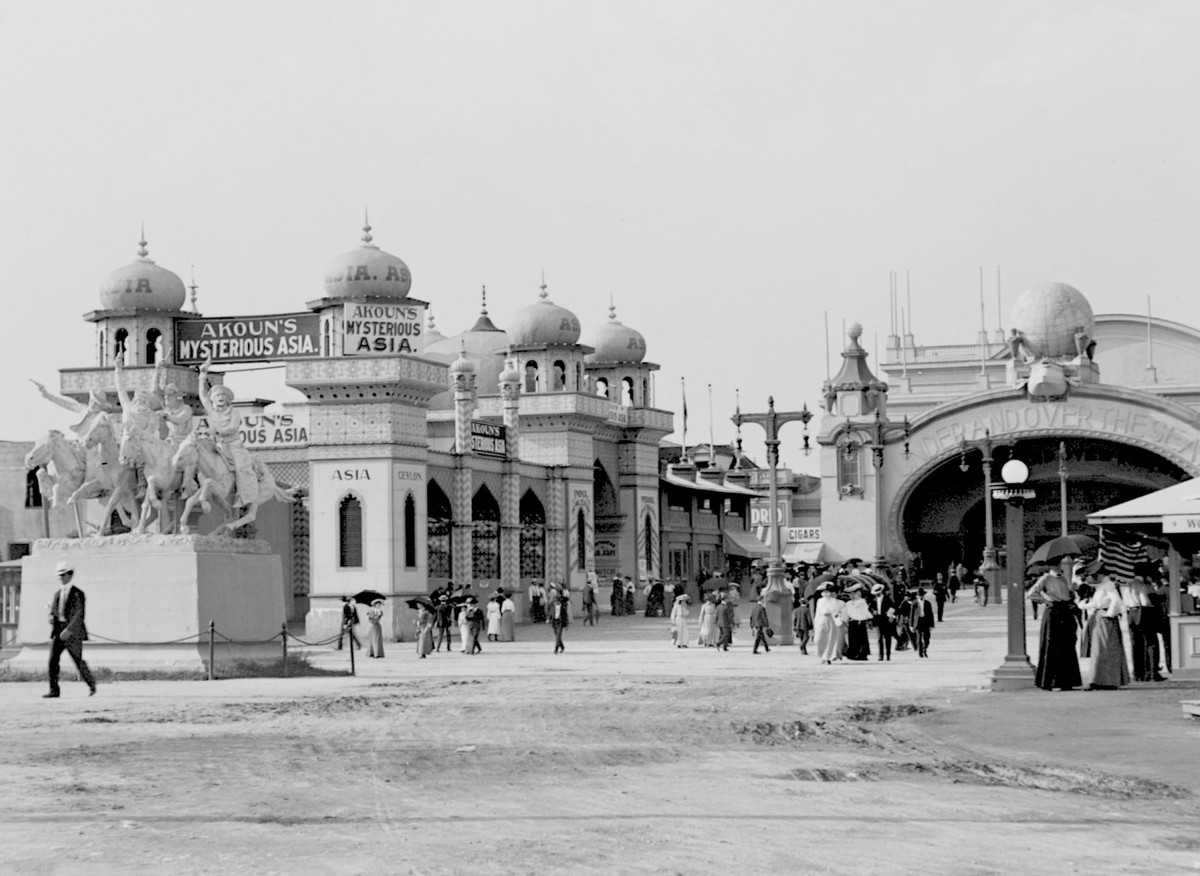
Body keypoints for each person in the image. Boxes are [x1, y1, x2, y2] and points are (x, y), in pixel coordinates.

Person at [198, 354, 255, 507]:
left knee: (241, 467)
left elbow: (233, 428)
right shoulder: (212, 410)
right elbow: (202, 396)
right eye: (217, 396)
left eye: (223, 395)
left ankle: (242, 496)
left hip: (232, 445)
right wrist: (202, 375)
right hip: (216, 444)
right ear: (214, 399)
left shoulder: (233, 412)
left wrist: (217, 431)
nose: (221, 397)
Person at [44, 561, 96, 698]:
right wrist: (51, 617)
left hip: (72, 633)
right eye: (59, 575)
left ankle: (91, 685)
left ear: (69, 575)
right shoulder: (57, 594)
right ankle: (54, 690)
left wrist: (69, 630)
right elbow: (55, 611)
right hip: (58, 631)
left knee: (77, 660)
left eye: (63, 574)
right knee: (52, 661)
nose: (60, 577)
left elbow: (79, 614)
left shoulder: (78, 594)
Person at [1027, 566, 1082, 691]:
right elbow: (1031, 594)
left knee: (1067, 645)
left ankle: (1066, 682)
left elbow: (1069, 594)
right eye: (1054, 565)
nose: (1058, 568)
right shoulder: (1045, 578)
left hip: (1065, 611)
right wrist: (1045, 601)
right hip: (1053, 612)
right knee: (1051, 646)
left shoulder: (1063, 578)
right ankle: (1048, 682)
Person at [1081, 573, 1129, 690]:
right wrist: (1083, 605)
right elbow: (1098, 603)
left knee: (1104, 649)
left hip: (1105, 619)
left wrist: (1109, 614)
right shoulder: (1101, 586)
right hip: (1100, 616)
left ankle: (1104, 680)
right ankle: (1100, 680)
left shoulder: (1108, 585)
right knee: (1100, 649)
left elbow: (1116, 600)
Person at [812, 583, 846, 665]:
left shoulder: (835, 601)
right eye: (824, 592)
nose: (826, 594)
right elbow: (817, 612)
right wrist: (815, 623)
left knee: (830, 639)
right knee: (819, 639)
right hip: (821, 619)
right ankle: (821, 654)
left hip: (831, 620)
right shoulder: (819, 601)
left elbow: (837, 611)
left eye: (828, 592)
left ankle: (827, 657)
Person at [843, 583, 873, 660]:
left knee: (862, 639)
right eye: (851, 594)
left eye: (855, 593)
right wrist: (845, 621)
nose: (852, 595)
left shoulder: (862, 602)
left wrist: (869, 619)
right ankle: (853, 653)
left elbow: (866, 612)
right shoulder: (848, 603)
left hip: (860, 621)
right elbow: (846, 613)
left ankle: (862, 654)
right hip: (852, 622)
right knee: (853, 639)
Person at [869, 582, 895, 662]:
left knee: (887, 638)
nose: (877, 594)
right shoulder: (873, 600)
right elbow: (870, 608)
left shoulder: (887, 599)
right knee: (879, 638)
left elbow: (893, 608)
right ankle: (881, 655)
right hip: (878, 620)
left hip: (886, 620)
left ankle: (888, 655)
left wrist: (890, 616)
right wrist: (873, 611)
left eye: (878, 593)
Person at [909, 587, 935, 658]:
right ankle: (920, 653)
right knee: (919, 638)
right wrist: (911, 625)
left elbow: (931, 614)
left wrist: (932, 625)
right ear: (917, 596)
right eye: (919, 595)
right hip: (918, 622)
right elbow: (911, 614)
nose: (921, 596)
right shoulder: (914, 603)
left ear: (924, 595)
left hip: (926, 622)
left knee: (927, 638)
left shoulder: (928, 603)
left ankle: (924, 649)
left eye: (922, 595)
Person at [550, 587, 570, 654]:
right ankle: (562, 646)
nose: (556, 602)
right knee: (557, 636)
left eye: (557, 601)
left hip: (560, 622)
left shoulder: (562, 608)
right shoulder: (553, 607)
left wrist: (567, 624)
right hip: (554, 622)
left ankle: (556, 649)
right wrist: (549, 619)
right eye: (555, 601)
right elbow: (551, 613)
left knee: (558, 636)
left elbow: (565, 615)